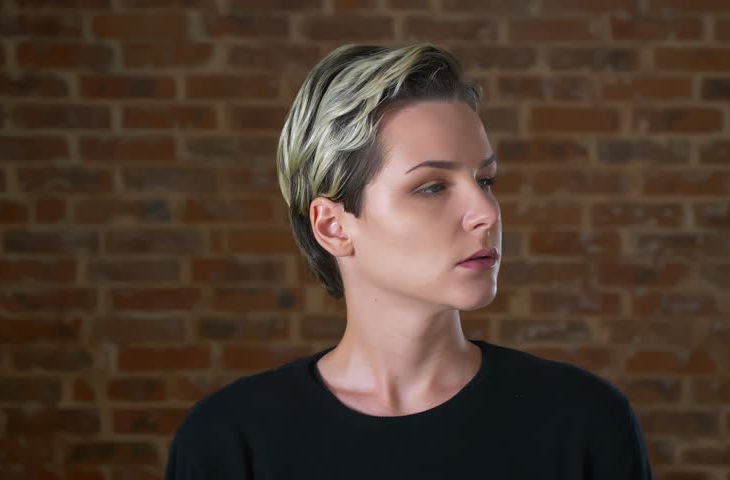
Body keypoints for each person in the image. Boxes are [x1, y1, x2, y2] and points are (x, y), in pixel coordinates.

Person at [165, 43, 653, 479]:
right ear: (333, 226)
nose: (486, 213)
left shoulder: (584, 423)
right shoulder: (230, 443)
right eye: (432, 187)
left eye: (485, 180)